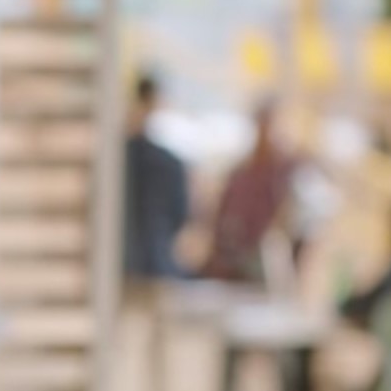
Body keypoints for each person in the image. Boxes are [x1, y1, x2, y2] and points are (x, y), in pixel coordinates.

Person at [200, 99, 302, 285]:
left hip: (261, 265)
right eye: (261, 124)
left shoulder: (287, 172)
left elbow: (291, 223)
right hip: (231, 262)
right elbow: (222, 213)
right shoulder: (242, 169)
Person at [122, 74, 191, 279]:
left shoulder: (122, 157)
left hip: (128, 260)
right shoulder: (167, 161)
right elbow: (180, 214)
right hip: (156, 260)